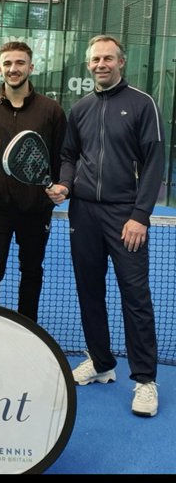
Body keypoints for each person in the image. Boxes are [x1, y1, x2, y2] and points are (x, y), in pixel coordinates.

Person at [50, 35, 165, 417]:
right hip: (83, 214)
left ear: (121, 62)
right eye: (95, 59)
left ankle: (145, 379)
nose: (101, 64)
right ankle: (101, 363)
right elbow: (69, 154)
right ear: (89, 65)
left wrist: (140, 215)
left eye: (108, 58)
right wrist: (66, 184)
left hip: (125, 215)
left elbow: (153, 163)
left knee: (135, 295)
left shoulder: (141, 104)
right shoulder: (80, 108)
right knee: (89, 290)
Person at [0, 41, 67, 322]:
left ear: (31, 67)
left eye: (19, 63)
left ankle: (28, 329)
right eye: (8, 64)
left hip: (36, 209)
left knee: (31, 270)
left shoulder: (52, 111)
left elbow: (62, 156)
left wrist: (62, 185)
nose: (13, 69)